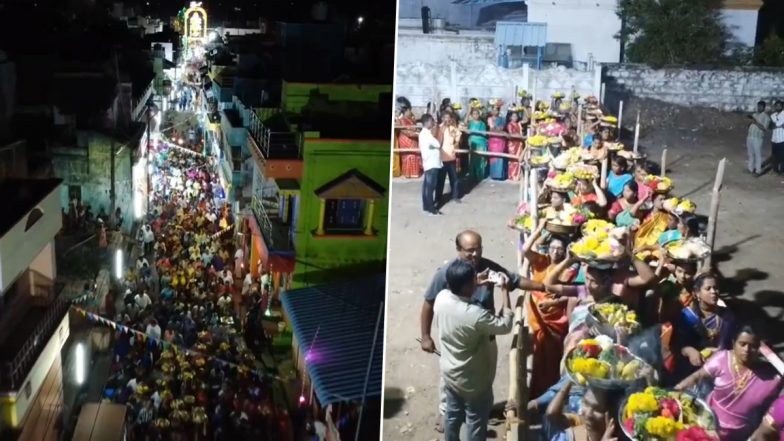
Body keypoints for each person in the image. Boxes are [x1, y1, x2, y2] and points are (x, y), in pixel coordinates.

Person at [420, 230, 545, 432]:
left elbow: (514, 280)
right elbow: (428, 303)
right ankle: (456, 414)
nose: (475, 255)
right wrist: (425, 336)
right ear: (458, 250)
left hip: (483, 338)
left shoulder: (482, 271)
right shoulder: (446, 275)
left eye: (478, 249)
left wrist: (543, 286)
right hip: (461, 336)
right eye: (470, 251)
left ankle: (453, 417)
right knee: (466, 393)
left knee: (461, 379)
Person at [434, 259, 514, 441]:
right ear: (466, 287)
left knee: (452, 415)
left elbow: (458, 289)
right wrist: (504, 291)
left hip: (450, 374)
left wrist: (476, 280)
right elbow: (505, 325)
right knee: (476, 422)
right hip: (473, 382)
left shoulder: (442, 298)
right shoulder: (474, 315)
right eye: (473, 281)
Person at [675, 325, 782, 441]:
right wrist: (678, 389)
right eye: (742, 344)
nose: (746, 350)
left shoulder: (771, 377)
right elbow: (698, 376)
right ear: (733, 343)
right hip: (707, 423)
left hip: (739, 435)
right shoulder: (723, 358)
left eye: (753, 346)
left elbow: (773, 413)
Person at [418, 113, 443, 216]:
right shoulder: (426, 134)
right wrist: (435, 147)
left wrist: (434, 147)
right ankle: (431, 209)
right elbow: (437, 144)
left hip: (429, 162)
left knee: (427, 186)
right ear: (428, 122)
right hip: (431, 162)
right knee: (430, 186)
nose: (433, 123)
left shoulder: (425, 133)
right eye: (432, 121)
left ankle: (426, 206)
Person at [436, 111, 462, 205]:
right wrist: (443, 128)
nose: (447, 119)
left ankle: (455, 196)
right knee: (440, 180)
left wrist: (455, 144)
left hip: (451, 157)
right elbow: (437, 141)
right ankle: (438, 198)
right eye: (445, 117)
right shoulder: (439, 128)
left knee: (454, 179)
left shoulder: (453, 129)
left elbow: (458, 138)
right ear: (442, 118)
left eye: (449, 117)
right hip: (442, 157)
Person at [398, 104, 423, 178]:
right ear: (406, 111)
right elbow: (403, 130)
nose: (410, 112)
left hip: (414, 138)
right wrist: (416, 134)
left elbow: (416, 128)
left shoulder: (412, 120)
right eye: (409, 111)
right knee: (408, 155)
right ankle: (407, 173)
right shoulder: (400, 120)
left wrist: (418, 133)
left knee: (415, 154)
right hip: (406, 139)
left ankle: (415, 173)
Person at [747, 100, 771, 177]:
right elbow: (750, 125)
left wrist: (755, 122)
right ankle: (750, 168)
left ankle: (758, 171)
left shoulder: (766, 117)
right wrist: (750, 122)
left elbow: (764, 128)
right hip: (750, 136)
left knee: (758, 154)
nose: (759, 108)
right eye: (758, 106)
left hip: (758, 137)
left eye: (761, 106)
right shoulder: (754, 114)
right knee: (750, 154)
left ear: (764, 107)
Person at [487, 102, 508, 181]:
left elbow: (501, 128)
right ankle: (494, 174)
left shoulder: (502, 119)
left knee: (500, 157)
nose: (495, 112)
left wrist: (501, 131)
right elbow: (492, 129)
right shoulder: (489, 119)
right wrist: (502, 132)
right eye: (493, 110)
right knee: (493, 157)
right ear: (491, 111)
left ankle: (500, 175)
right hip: (493, 140)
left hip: (500, 140)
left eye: (497, 110)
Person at [467, 108, 488, 183]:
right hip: (473, 142)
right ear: (472, 115)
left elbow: (484, 133)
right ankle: (472, 176)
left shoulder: (482, 123)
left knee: (481, 159)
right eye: (474, 114)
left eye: (477, 114)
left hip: (481, 142)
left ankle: (480, 176)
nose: (476, 115)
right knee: (473, 159)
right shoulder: (470, 123)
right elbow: (466, 127)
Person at [506, 109, 524, 181]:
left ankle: (517, 175)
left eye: (516, 116)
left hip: (519, 143)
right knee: (513, 160)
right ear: (510, 117)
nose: (515, 118)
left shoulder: (518, 124)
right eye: (513, 116)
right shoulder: (509, 124)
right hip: (513, 144)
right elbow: (511, 133)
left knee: (519, 159)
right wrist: (519, 136)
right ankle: (512, 175)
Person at [771, 100, 784, 175]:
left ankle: (781, 171)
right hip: (774, 138)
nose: (778, 107)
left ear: (782, 106)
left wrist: (780, 126)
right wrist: (776, 126)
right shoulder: (773, 115)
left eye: (779, 106)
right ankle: (775, 170)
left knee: (782, 156)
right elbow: (771, 125)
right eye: (777, 105)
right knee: (774, 155)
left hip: (782, 139)